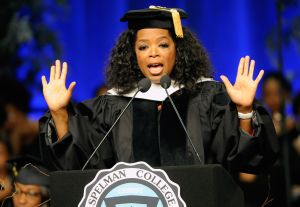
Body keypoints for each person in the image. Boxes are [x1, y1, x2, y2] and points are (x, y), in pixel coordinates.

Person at [39, 6, 278, 174]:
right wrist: (60, 113)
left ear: (178, 49)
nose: (153, 52)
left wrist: (245, 110)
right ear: (133, 55)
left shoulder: (207, 98)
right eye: (143, 47)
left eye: (163, 44)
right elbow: (77, 164)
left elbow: (245, 160)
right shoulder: (114, 107)